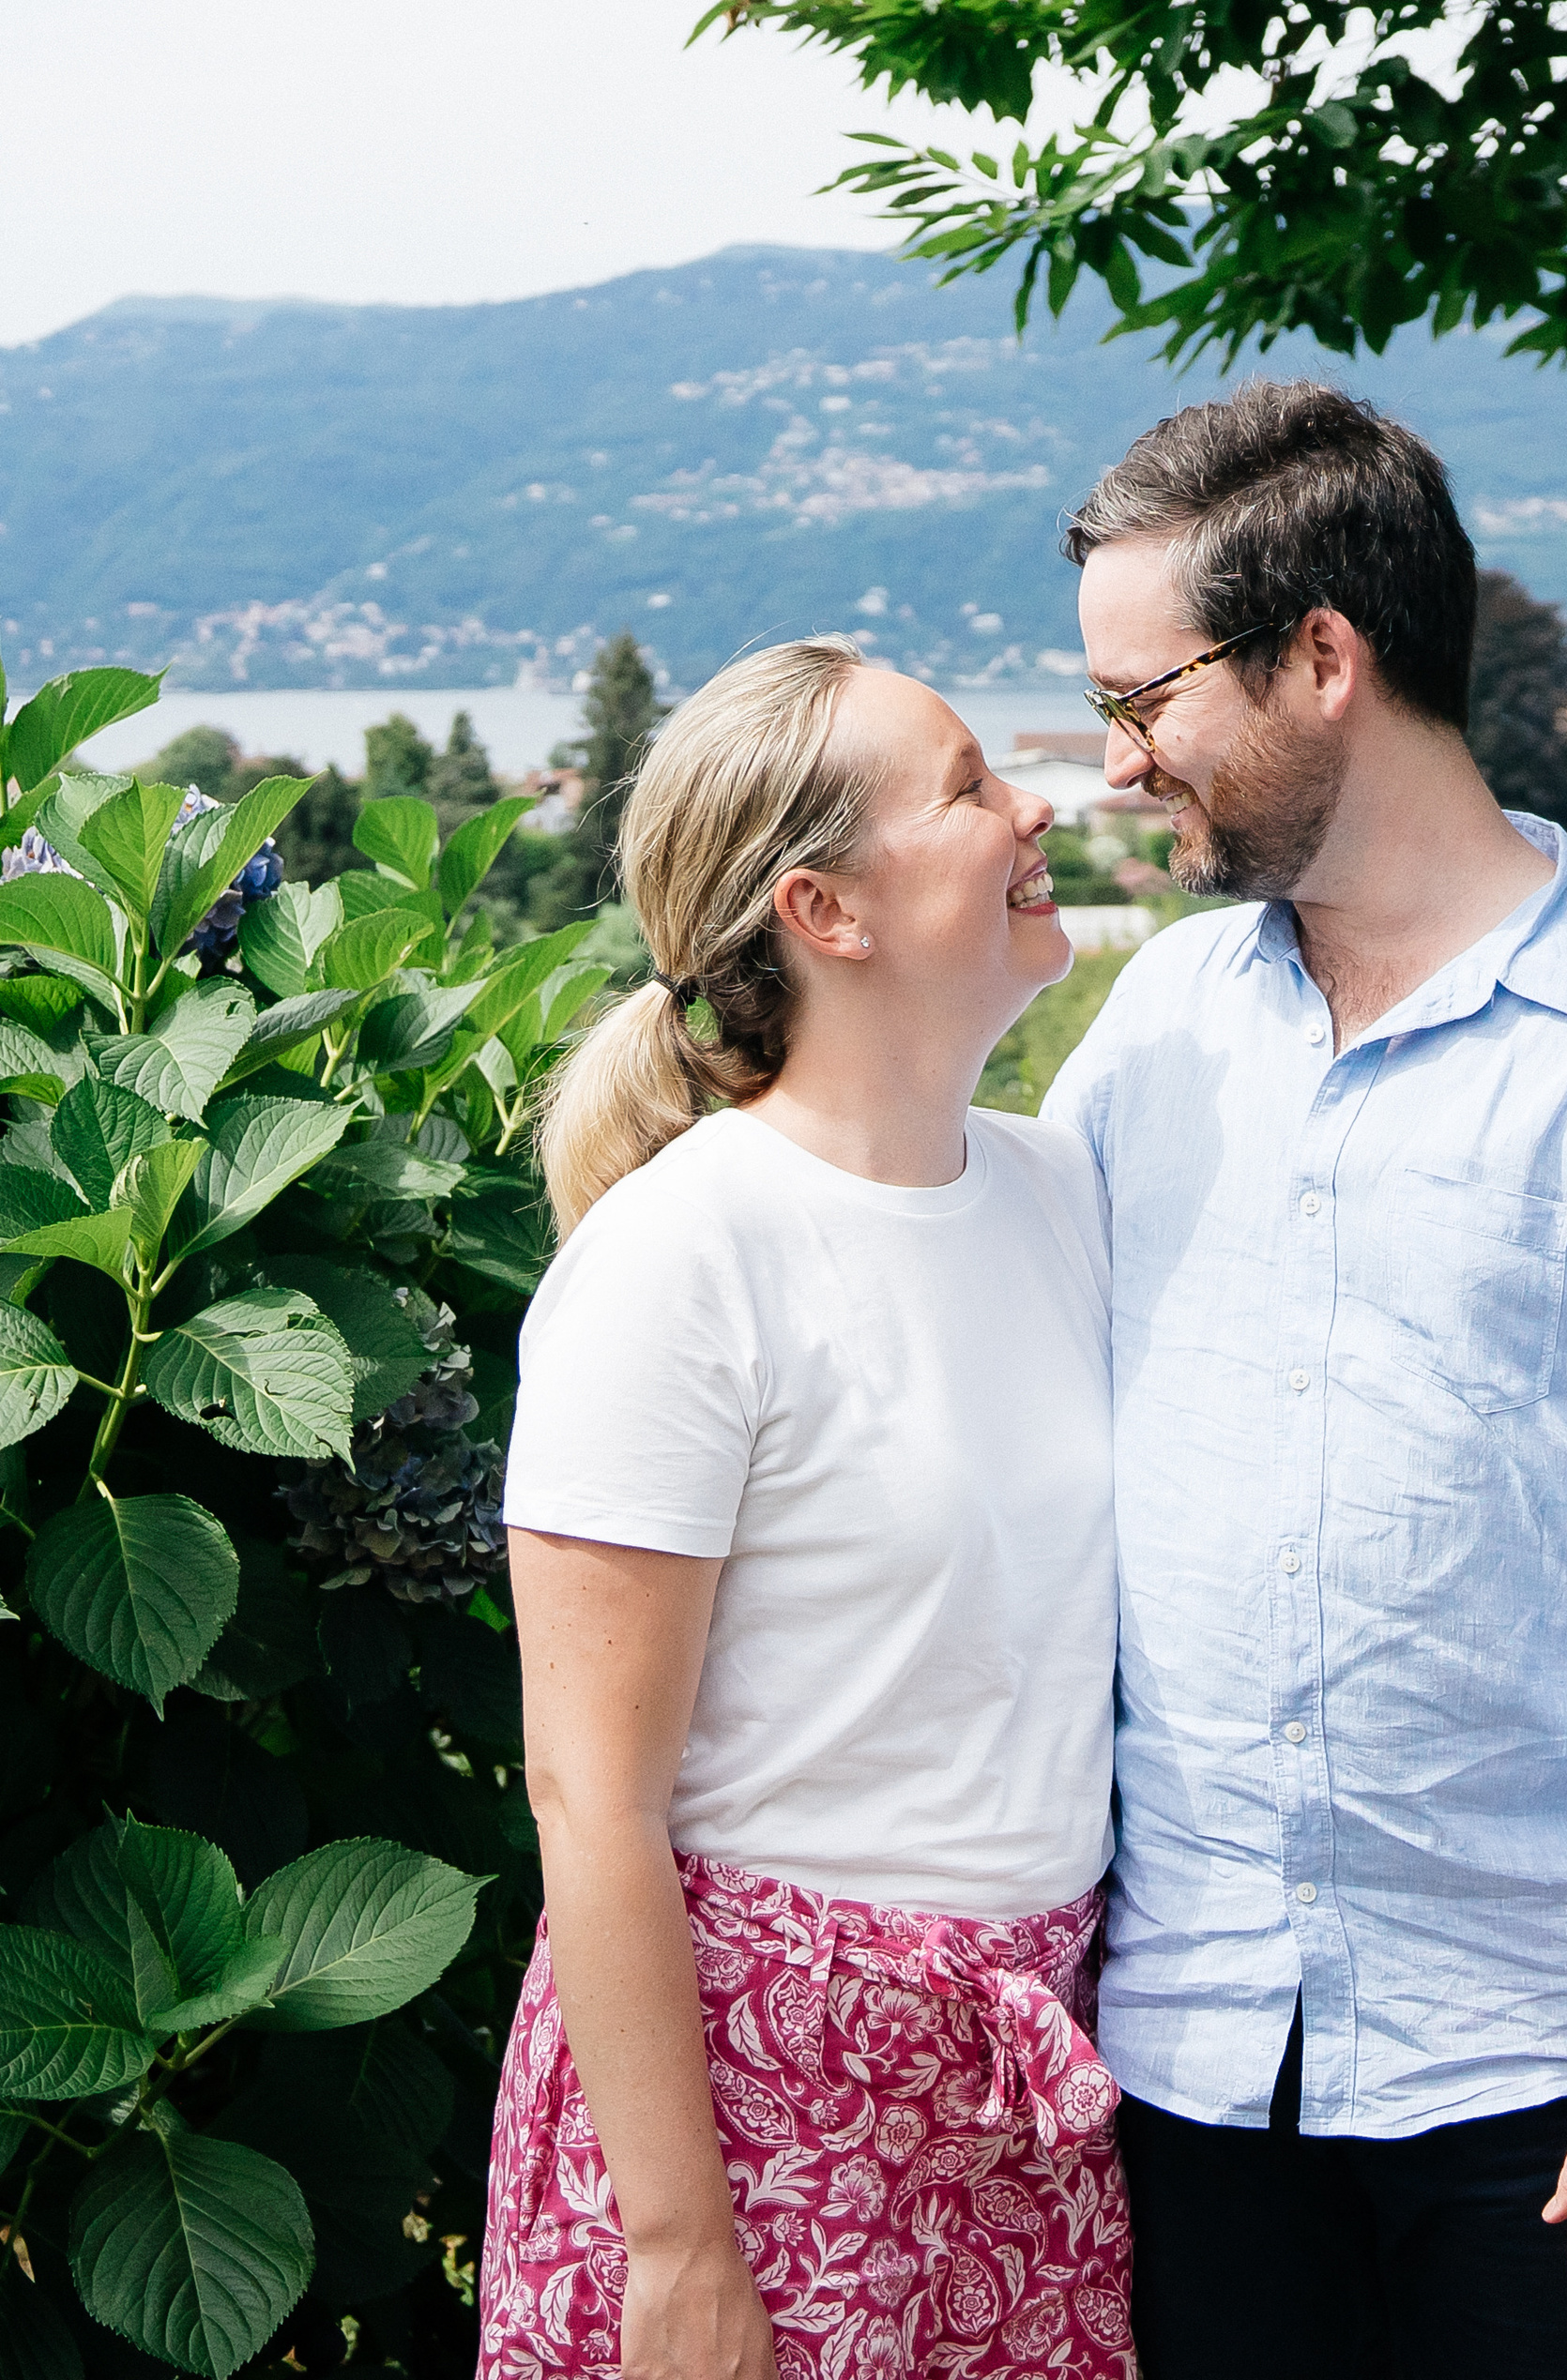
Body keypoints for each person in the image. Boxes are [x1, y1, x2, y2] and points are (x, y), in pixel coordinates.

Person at [1043, 384, 1567, 2378]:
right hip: (1188, 2051)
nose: (1110, 760)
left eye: (1141, 701)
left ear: (1320, 659)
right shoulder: (1155, 1025)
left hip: (1534, 2083)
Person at [480, 641, 1134, 2380]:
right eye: (972, 786)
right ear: (825, 908)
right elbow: (588, 1793)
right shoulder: (680, 1260)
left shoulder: (1062, 1192)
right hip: (749, 2125)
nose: (1034, 805)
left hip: (1022, 2101)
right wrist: (678, 2242)